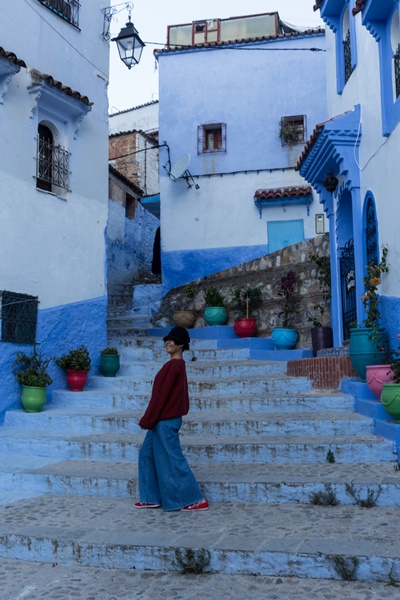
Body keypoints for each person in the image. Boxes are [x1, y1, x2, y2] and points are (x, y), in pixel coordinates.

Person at [135, 326, 209, 512]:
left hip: (165, 421)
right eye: (166, 340)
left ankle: (195, 499)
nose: (167, 342)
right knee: (146, 454)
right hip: (162, 420)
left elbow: (160, 398)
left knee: (173, 459)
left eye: (172, 340)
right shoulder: (177, 365)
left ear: (181, 344)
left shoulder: (173, 366)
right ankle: (150, 497)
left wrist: (147, 419)